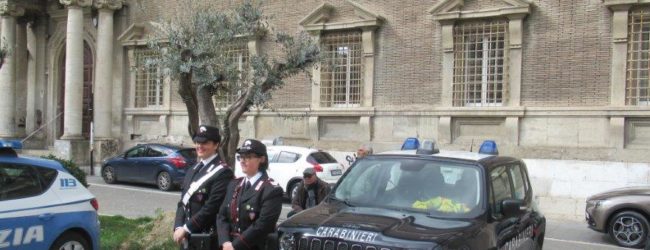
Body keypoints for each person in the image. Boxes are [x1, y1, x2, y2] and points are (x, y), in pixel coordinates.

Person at [173, 125, 234, 249]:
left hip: (206, 239)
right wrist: (179, 226)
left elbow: (211, 207)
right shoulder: (193, 169)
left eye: (205, 143)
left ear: (216, 145)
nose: (199, 146)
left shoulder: (223, 172)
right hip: (187, 238)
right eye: (197, 142)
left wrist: (186, 228)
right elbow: (182, 203)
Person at [217, 139, 283, 250]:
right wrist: (225, 242)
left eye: (248, 157)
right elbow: (221, 216)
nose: (242, 161)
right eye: (241, 157)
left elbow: (262, 225)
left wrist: (235, 246)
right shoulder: (234, 185)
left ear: (261, 159)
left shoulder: (271, 190)